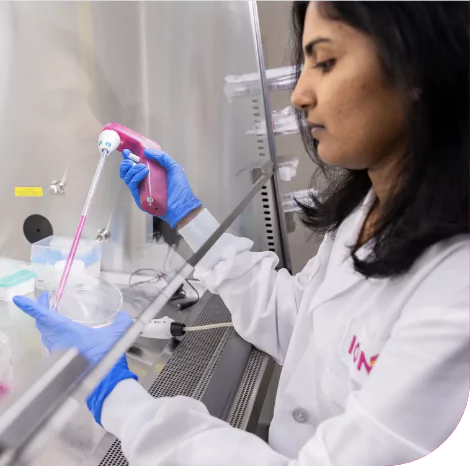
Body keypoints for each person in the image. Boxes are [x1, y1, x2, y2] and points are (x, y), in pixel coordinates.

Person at [13, 2, 469, 465]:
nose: (299, 94)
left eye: (326, 62)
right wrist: (187, 215)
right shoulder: (368, 212)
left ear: (418, 64)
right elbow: (299, 321)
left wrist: (119, 399)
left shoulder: (455, 295)